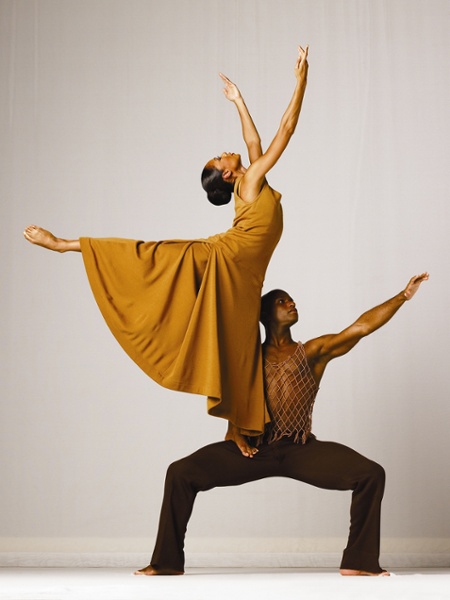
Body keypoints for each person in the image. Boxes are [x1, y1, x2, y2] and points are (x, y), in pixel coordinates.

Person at [23, 45, 309, 436]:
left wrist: (239, 101)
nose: (224, 153)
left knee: (240, 347)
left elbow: (254, 141)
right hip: (216, 258)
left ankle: (238, 429)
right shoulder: (251, 182)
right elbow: (286, 130)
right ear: (226, 176)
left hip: (243, 274)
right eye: (218, 159)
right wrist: (300, 80)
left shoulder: (250, 177)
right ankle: (64, 244)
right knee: (150, 255)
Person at [134, 272, 429, 577]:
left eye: (291, 299)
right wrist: (235, 435)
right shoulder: (246, 359)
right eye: (281, 300)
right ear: (264, 314)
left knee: (370, 474)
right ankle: (166, 562)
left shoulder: (313, 352)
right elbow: (230, 403)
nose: (291, 303)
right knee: (180, 472)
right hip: (254, 449)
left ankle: (359, 561)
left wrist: (403, 296)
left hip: (299, 448)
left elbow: (360, 328)